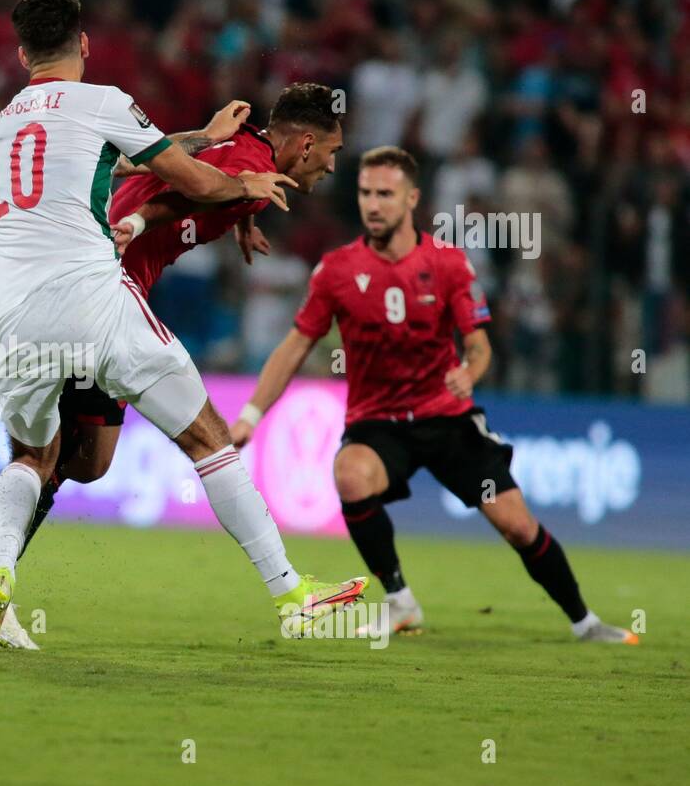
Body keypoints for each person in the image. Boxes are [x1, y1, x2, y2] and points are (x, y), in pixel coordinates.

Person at [0, 0, 365, 651]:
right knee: (206, 440)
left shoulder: (4, 121)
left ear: (23, 52)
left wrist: (221, 175)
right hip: (98, 295)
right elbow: (189, 184)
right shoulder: (109, 103)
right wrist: (237, 194)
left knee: (63, 461)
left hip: (19, 304)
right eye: (335, 155)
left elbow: (108, 162)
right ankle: (292, 592)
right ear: (85, 44)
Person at [230, 146, 637, 645]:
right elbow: (295, 345)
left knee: (516, 526)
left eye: (385, 194)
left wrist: (470, 372)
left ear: (411, 198)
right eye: (364, 193)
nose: (373, 204)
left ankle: (584, 621)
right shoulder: (336, 271)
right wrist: (251, 414)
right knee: (350, 475)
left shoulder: (447, 264)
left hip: (447, 420)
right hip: (378, 424)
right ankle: (400, 600)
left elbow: (479, 345)